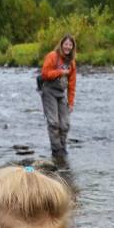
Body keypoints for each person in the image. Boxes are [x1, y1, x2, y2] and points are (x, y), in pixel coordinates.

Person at [39, 34, 76, 164]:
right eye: (66, 44)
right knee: (53, 123)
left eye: (70, 45)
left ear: (72, 47)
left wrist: (71, 102)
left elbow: (72, 84)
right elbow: (45, 73)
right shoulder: (52, 56)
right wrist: (60, 72)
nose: (68, 47)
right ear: (61, 45)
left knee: (65, 124)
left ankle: (62, 148)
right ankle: (57, 151)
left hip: (61, 93)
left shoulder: (71, 62)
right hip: (48, 91)